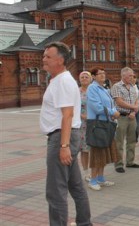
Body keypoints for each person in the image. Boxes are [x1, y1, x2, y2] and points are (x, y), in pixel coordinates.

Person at [39, 42, 91, 226]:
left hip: (62, 137)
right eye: (44, 55)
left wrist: (63, 146)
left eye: (48, 56)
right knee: (75, 185)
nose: (43, 59)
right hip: (65, 137)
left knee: (55, 190)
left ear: (60, 60)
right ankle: (84, 222)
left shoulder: (63, 81)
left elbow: (67, 115)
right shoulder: (59, 80)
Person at [86, 67, 120, 191]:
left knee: (104, 152)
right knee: (97, 153)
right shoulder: (92, 88)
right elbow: (96, 107)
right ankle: (93, 180)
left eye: (103, 73)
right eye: (99, 74)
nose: (102, 75)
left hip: (106, 123)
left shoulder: (104, 88)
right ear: (93, 76)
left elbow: (111, 104)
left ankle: (100, 178)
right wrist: (113, 112)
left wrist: (114, 111)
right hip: (97, 124)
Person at [111, 67, 139, 173]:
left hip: (132, 117)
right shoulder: (116, 86)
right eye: (130, 75)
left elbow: (137, 100)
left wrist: (133, 111)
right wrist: (133, 107)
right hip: (121, 117)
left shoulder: (133, 87)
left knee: (132, 140)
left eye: (132, 75)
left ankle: (130, 161)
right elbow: (119, 102)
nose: (132, 77)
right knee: (119, 142)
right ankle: (118, 164)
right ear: (123, 76)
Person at [79, 71, 92, 182]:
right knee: (84, 149)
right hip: (81, 124)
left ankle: (95, 171)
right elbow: (71, 107)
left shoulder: (94, 91)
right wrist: (82, 116)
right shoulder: (75, 92)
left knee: (94, 148)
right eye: (82, 77)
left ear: (91, 78)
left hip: (94, 123)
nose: (84, 78)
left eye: (86, 76)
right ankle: (86, 172)